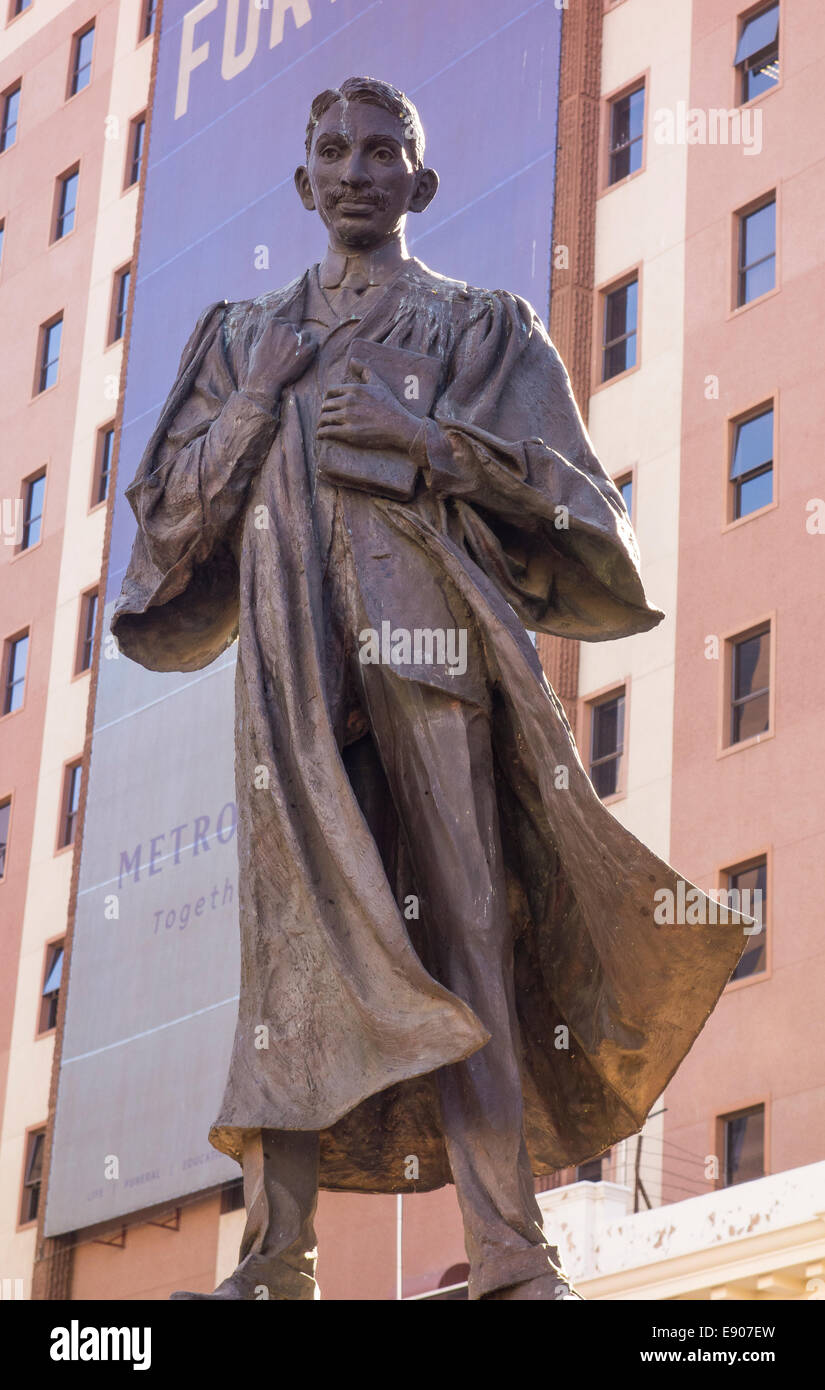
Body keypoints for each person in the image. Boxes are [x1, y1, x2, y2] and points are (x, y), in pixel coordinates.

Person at [112, 77, 744, 1301]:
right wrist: (256, 404)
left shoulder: (478, 327)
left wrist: (427, 439)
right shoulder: (244, 340)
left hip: (434, 662)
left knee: (472, 934)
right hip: (293, 680)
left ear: (422, 181)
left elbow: (588, 516)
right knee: (288, 940)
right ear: (304, 184)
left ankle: (510, 1251)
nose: (356, 170)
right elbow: (168, 536)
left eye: (383, 151)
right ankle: (276, 1258)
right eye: (333, 153)